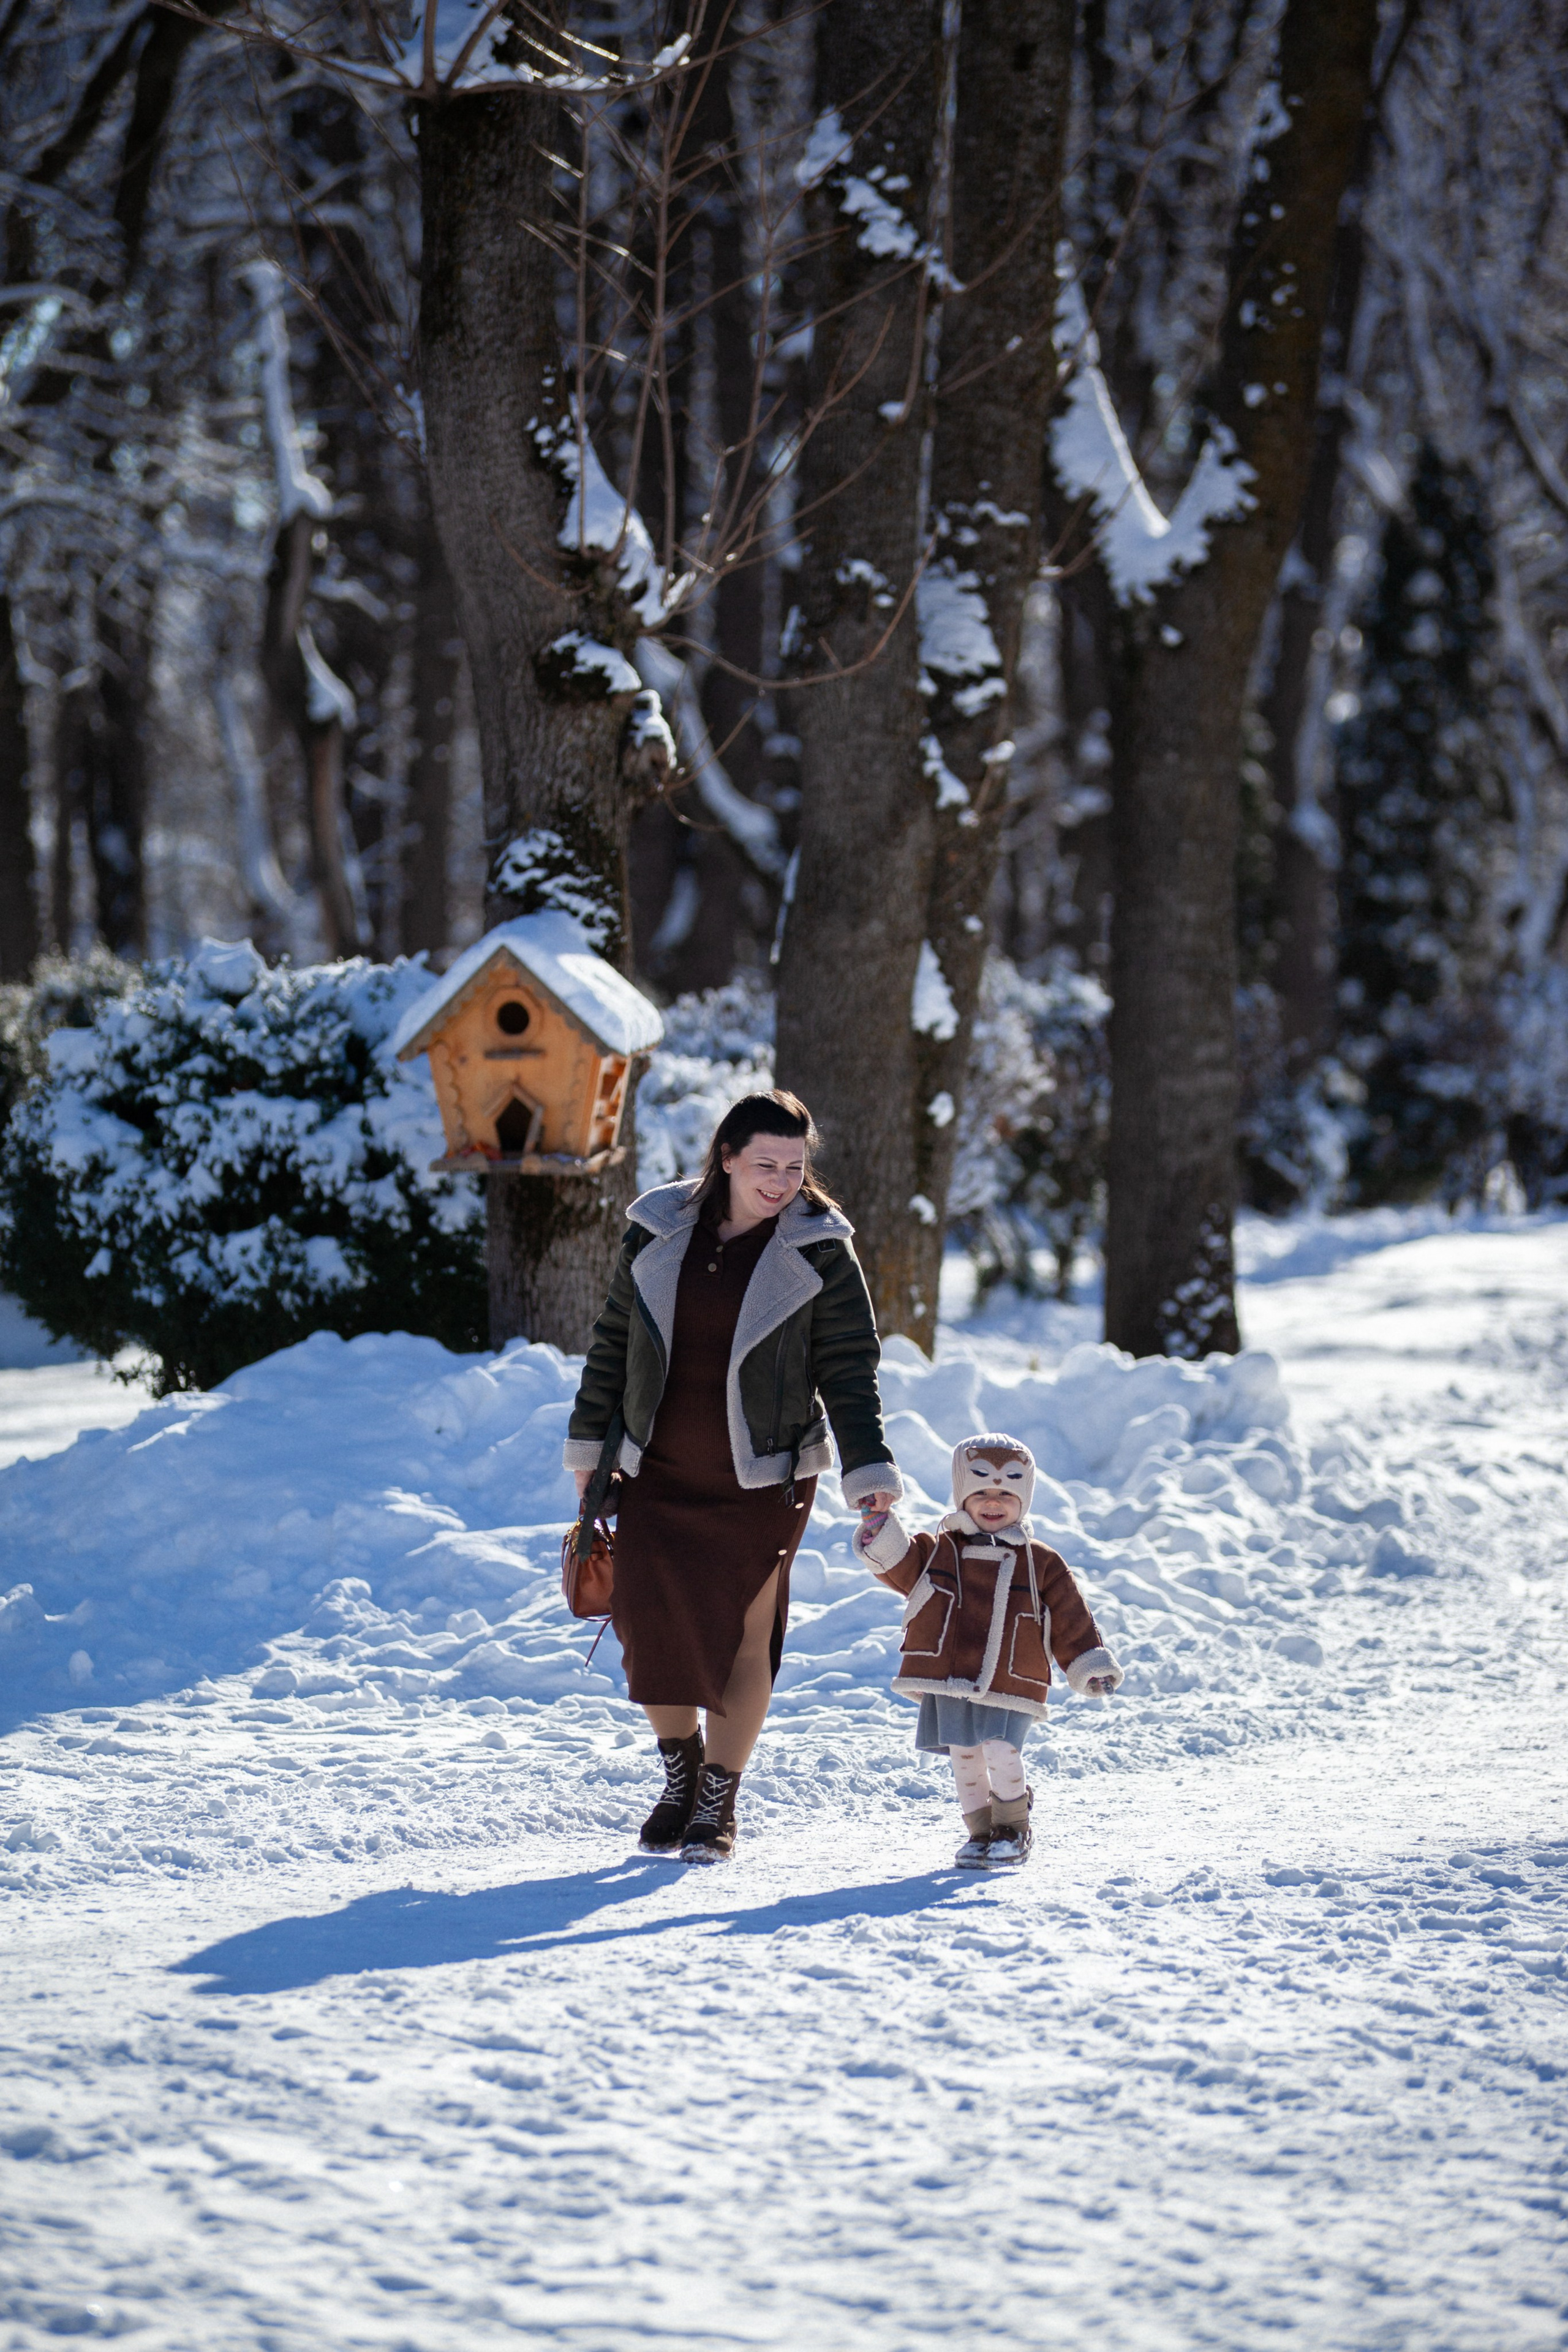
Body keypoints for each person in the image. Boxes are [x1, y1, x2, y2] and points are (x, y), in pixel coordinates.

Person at [565, 1091, 900, 1864]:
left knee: (746, 1636)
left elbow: (850, 1367)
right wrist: (590, 1453)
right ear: (726, 1158)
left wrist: (867, 1467)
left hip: (764, 1476)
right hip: (657, 1464)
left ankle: (719, 1797)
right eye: (764, 1165)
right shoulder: (660, 1229)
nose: (781, 1181)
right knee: (649, 1627)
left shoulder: (820, 1249)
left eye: (794, 1166)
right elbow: (612, 1343)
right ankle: (680, 1776)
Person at [853, 1433, 1123, 1869]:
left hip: (1011, 1673)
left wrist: (1087, 1662)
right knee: (964, 1754)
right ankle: (981, 1832)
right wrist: (878, 1524)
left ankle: (1014, 1826)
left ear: (1025, 1499)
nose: (994, 1502)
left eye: (1007, 1494)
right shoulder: (942, 1549)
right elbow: (899, 1563)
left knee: (1000, 1749)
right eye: (981, 1492)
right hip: (951, 1670)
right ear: (963, 1495)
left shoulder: (1041, 1561)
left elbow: (1072, 1616)